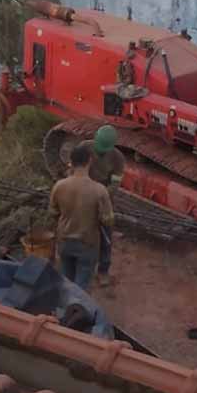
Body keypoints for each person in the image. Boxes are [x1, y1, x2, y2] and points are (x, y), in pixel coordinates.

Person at [49, 142, 114, 291]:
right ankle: (76, 311)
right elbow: (108, 220)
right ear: (89, 161)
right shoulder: (99, 190)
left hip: (64, 241)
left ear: (71, 162)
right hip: (87, 244)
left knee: (66, 282)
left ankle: (63, 311)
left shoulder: (59, 186)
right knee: (81, 288)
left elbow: (53, 213)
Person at [88, 124, 125, 285]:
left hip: (105, 199)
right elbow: (73, 171)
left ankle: (103, 270)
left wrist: (101, 195)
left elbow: (115, 184)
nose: (101, 151)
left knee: (106, 237)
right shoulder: (84, 148)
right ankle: (82, 267)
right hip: (84, 194)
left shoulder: (117, 158)